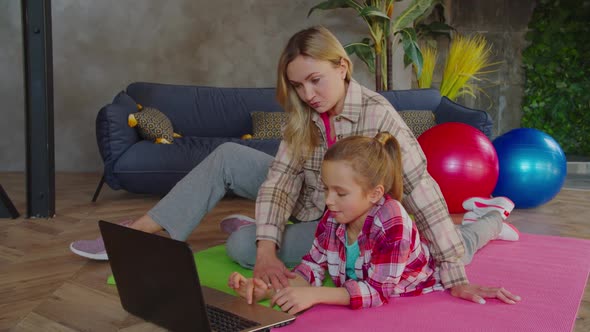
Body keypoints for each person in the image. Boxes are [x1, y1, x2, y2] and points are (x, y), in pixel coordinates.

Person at [71, 25, 515, 304]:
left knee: (242, 248)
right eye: (297, 85)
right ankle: (143, 233)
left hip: (347, 214)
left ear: (342, 67)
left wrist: (454, 275)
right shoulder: (302, 113)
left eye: (315, 80)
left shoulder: (379, 115)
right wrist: (270, 246)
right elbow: (280, 180)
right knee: (228, 161)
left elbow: (420, 189)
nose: (307, 94)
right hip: (308, 197)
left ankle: (489, 219)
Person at [228, 134, 521, 313]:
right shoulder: (334, 215)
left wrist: (314, 295)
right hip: (404, 249)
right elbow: (313, 266)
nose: (328, 201)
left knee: (468, 241)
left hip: (424, 268)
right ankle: (485, 219)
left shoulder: (394, 223)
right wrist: (270, 290)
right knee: (465, 238)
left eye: (340, 192)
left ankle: (494, 215)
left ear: (375, 193)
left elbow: (378, 292)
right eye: (327, 188)